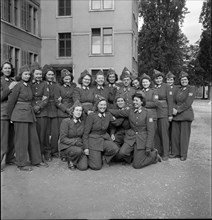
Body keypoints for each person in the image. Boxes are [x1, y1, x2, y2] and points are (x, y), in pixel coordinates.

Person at [7, 64, 46, 171]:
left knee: (34, 139)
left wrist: (36, 107)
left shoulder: (28, 86)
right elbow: (11, 102)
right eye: (25, 74)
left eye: (29, 74)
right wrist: (10, 116)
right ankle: (21, 163)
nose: (27, 76)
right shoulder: (17, 85)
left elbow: (31, 100)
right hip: (19, 116)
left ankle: (36, 160)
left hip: (29, 114)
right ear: (21, 75)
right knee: (21, 140)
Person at [109, 91, 162, 169]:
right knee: (122, 152)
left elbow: (151, 131)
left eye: (136, 100)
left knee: (136, 165)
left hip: (142, 138)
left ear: (141, 101)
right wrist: (104, 110)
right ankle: (135, 157)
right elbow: (118, 112)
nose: (134, 102)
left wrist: (148, 146)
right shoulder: (130, 111)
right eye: (133, 100)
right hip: (131, 137)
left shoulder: (148, 112)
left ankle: (154, 156)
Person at [82, 96, 119, 170]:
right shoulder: (92, 116)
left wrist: (112, 133)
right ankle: (89, 157)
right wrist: (86, 148)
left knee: (115, 148)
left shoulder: (108, 114)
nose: (103, 107)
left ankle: (103, 157)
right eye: (101, 105)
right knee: (96, 167)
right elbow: (85, 133)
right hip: (93, 140)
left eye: (104, 105)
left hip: (104, 138)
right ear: (97, 105)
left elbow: (113, 125)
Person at [170, 71, 195, 161]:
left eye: (185, 79)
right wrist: (173, 108)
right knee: (175, 135)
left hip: (185, 115)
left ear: (188, 80)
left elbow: (188, 103)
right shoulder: (178, 89)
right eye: (182, 79)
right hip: (176, 116)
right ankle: (175, 152)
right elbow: (173, 100)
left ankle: (183, 154)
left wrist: (177, 110)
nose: (183, 81)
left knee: (184, 136)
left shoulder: (191, 88)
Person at [59, 100, 88, 170]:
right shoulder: (66, 121)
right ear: (72, 111)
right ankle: (69, 159)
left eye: (80, 111)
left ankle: (76, 159)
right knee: (78, 151)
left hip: (79, 146)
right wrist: (75, 142)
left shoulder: (82, 122)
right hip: (67, 146)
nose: (78, 112)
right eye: (77, 110)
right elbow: (63, 138)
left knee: (83, 167)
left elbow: (84, 136)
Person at [30, 62, 49, 165]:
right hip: (31, 112)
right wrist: (33, 107)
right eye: (37, 74)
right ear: (33, 74)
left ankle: (41, 156)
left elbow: (46, 98)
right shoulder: (30, 84)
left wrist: (38, 106)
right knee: (33, 136)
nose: (38, 76)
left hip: (42, 113)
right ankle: (33, 157)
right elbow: (28, 97)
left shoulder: (45, 84)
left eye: (40, 74)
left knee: (42, 136)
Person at [1, 61, 18, 171]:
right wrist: (9, 88)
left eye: (9, 68)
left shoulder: (13, 81)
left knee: (12, 138)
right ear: (2, 69)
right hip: (3, 113)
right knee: (3, 139)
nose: (7, 70)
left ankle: (10, 158)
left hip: (14, 113)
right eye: (5, 68)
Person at [153, 69, 173, 161]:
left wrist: (170, 114)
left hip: (164, 113)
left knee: (164, 133)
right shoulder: (153, 87)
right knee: (156, 134)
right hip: (154, 113)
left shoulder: (167, 86)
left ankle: (166, 153)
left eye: (160, 78)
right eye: (156, 78)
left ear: (162, 78)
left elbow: (170, 101)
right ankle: (159, 152)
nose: (158, 80)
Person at [42, 64, 60, 161]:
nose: (51, 76)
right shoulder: (42, 84)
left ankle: (54, 150)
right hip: (44, 109)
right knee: (45, 132)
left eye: (52, 74)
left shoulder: (56, 85)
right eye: (49, 74)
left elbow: (58, 96)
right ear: (45, 75)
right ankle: (47, 151)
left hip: (55, 110)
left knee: (55, 133)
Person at [140, 73, 161, 150]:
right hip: (142, 116)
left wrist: (142, 104)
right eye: (143, 82)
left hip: (152, 115)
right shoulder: (140, 91)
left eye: (146, 82)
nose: (145, 84)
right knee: (145, 134)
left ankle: (154, 151)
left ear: (149, 82)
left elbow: (155, 103)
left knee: (152, 134)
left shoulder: (154, 91)